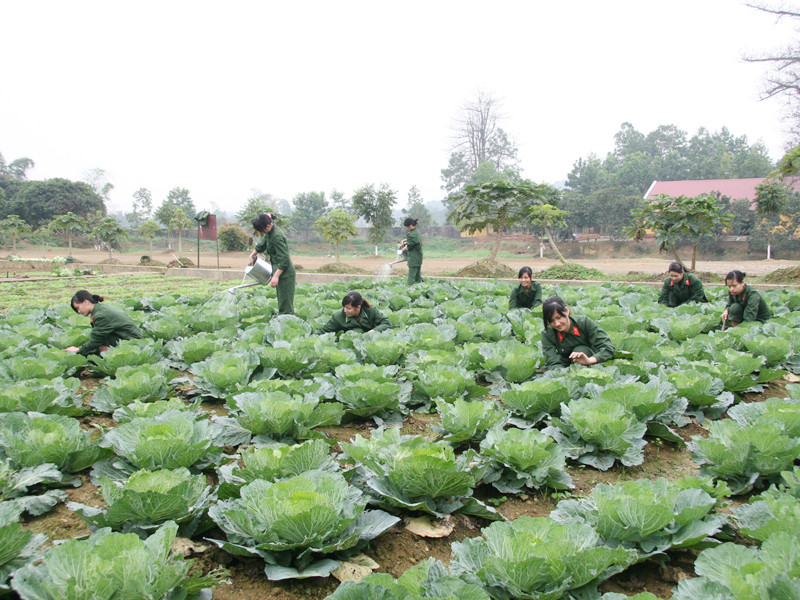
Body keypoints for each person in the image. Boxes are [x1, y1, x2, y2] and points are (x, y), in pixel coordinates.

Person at [541, 295, 615, 368]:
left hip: (591, 364)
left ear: (566, 310)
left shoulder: (584, 323)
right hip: (565, 367)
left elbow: (608, 348)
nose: (557, 323)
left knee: (580, 350)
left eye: (559, 317)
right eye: (551, 320)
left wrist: (590, 360)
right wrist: (562, 374)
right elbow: (552, 361)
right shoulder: (548, 333)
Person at [65, 290, 142, 356]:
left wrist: (78, 349)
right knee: (101, 343)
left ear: (85, 302)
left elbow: (95, 341)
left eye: (78, 308)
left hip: (131, 342)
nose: (78, 312)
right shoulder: (102, 308)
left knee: (99, 346)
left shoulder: (100, 315)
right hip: (129, 338)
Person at [248, 213, 296, 315]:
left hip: (285, 274)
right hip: (278, 271)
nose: (262, 233)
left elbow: (285, 260)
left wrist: (276, 276)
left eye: (262, 230)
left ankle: (286, 325)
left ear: (268, 226)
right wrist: (251, 256)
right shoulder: (269, 233)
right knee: (282, 302)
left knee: (285, 306)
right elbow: (261, 245)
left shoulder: (277, 236)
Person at [317, 291, 392, 334]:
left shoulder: (370, 311)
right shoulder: (338, 316)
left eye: (349, 308)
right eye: (344, 307)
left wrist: (374, 331)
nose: (345, 311)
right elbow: (324, 330)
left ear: (358, 307)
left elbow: (387, 323)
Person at [399, 217, 423, 285]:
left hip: (413, 259)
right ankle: (420, 289)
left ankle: (409, 290)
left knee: (411, 278)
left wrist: (401, 250)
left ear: (411, 225)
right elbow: (415, 241)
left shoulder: (412, 235)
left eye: (407, 227)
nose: (407, 228)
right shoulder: (416, 232)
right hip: (418, 257)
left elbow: (409, 246)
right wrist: (404, 240)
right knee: (418, 277)